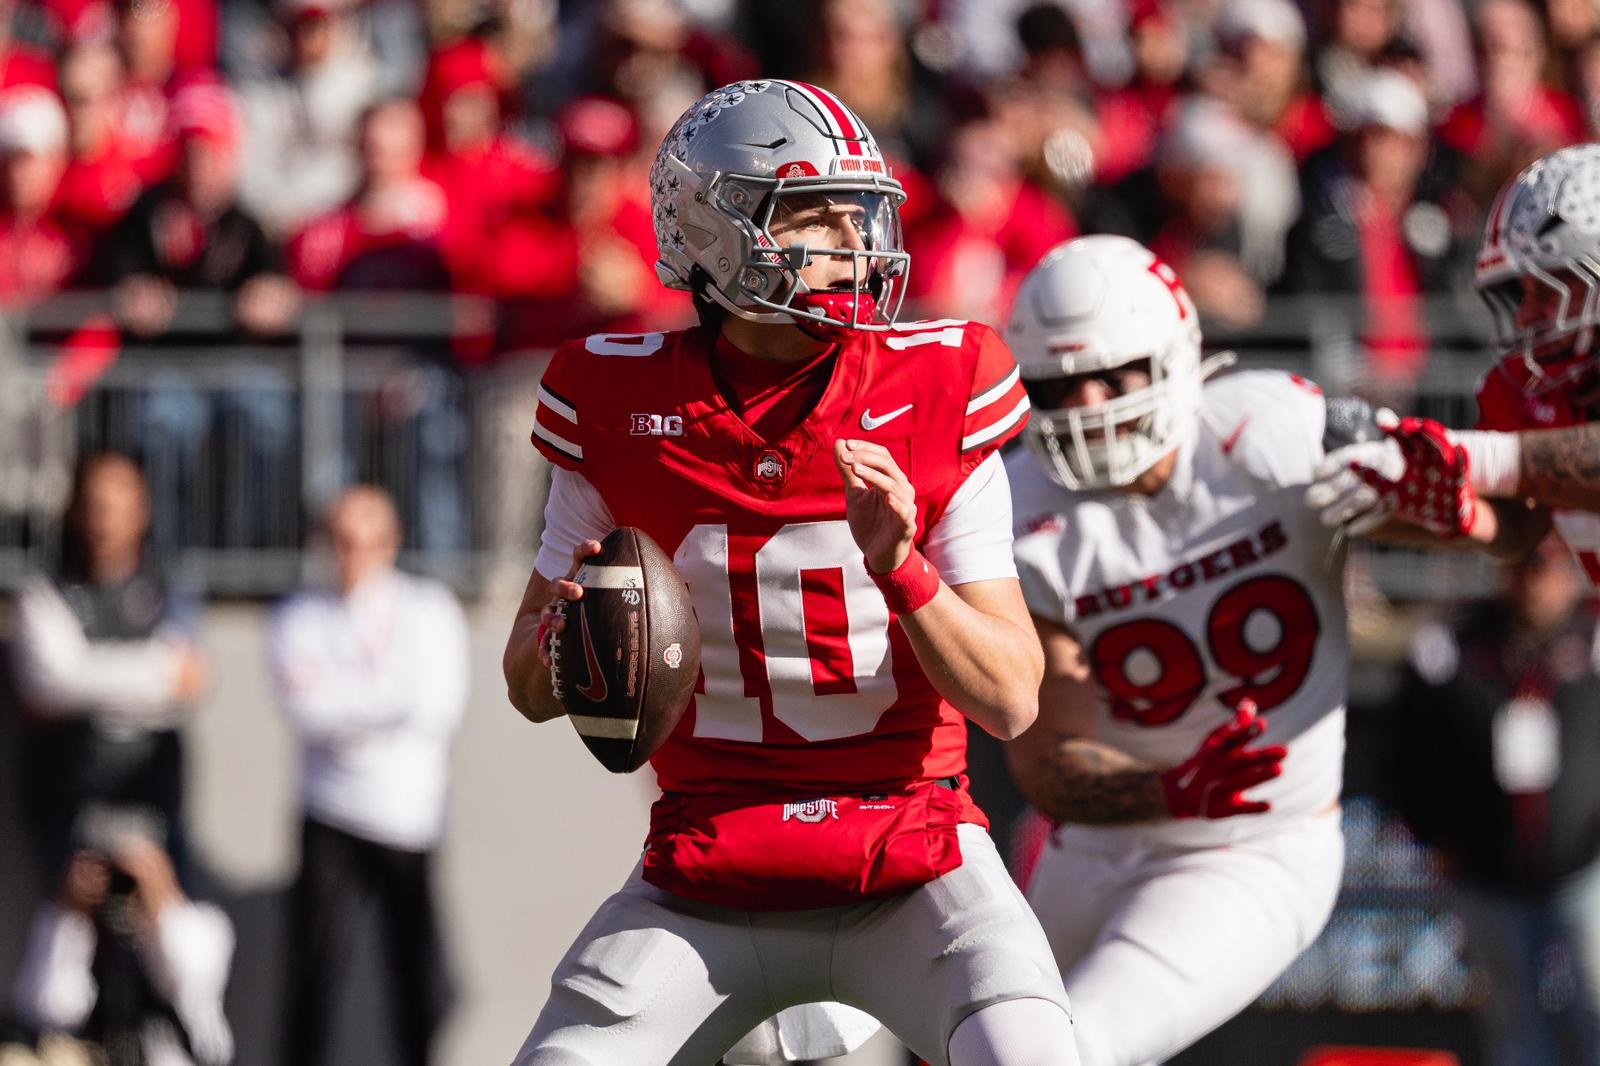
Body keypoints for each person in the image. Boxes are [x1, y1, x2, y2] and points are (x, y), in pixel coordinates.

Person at [503, 79, 1078, 1065]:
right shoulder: (615, 399)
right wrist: (574, 634)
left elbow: (1012, 696)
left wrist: (902, 569)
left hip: (913, 855)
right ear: (711, 229)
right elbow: (524, 687)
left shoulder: (939, 382)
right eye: (811, 214)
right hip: (705, 866)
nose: (852, 243)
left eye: (857, 213)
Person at [997, 234, 1473, 1066]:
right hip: (1103, 836)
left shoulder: (1270, 431)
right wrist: (1172, 785)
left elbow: (1483, 528)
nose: (1089, 403)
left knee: (1064, 1051)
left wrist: (1464, 512)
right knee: (976, 1046)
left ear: (1180, 355)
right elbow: (1047, 762)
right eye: (1059, 384)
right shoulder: (1025, 505)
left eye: (1116, 373)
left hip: (1252, 845)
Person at [1308, 142, 1600, 564]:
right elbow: (1521, 524)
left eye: (1550, 289)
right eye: (1524, 292)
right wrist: (1433, 505)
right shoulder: (1538, 382)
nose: (1524, 317)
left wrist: (1462, 455)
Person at [269, 485, 468, 1066]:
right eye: (339, 540)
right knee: (311, 977)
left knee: (414, 980)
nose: (351, 554)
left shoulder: (429, 609)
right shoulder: (299, 614)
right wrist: (387, 705)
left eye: (364, 541)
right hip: (328, 813)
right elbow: (306, 712)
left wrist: (348, 706)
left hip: (409, 819)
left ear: (390, 542)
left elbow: (436, 708)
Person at [1392, 538, 1600, 1066]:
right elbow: (1406, 754)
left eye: (1549, 567)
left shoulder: (1591, 640)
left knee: (1594, 1008)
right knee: (1515, 1022)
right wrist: (1431, 837)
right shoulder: (1454, 645)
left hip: (1581, 866)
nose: (1536, 581)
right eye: (1524, 566)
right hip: (1488, 872)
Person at [9, 452, 205, 889]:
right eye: (96, 505)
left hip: (154, 801)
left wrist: (84, 674)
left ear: (143, 510)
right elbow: (46, 684)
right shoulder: (46, 586)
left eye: (118, 506)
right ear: (76, 509)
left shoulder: (172, 585)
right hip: (68, 802)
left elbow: (189, 680)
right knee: (70, 934)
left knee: (176, 935)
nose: (106, 521)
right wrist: (151, 673)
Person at [7, 811, 234, 1066]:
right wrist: (72, 913)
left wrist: (156, 897)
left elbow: (184, 980)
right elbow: (47, 1008)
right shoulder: (77, 928)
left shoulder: (205, 926)